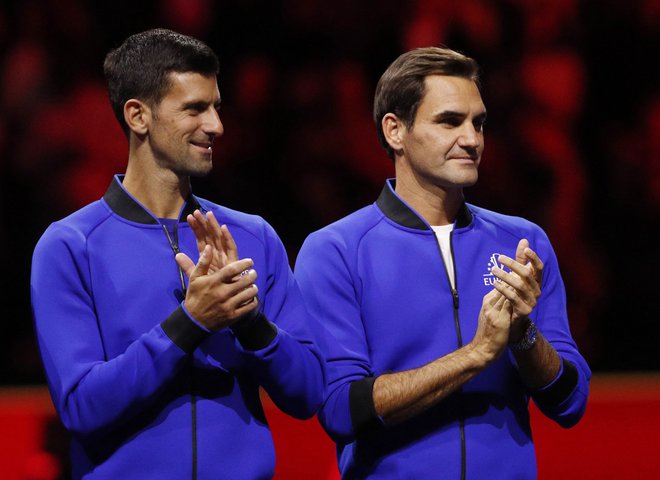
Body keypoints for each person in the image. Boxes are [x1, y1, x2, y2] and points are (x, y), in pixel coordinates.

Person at [30, 28, 324, 480]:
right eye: (195, 108)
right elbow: (81, 406)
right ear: (138, 116)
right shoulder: (69, 247)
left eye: (217, 107)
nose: (216, 126)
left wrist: (251, 322)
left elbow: (308, 393)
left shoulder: (254, 237)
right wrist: (191, 323)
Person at [294, 47, 590, 479]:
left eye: (478, 123)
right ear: (395, 131)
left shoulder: (523, 242)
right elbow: (341, 409)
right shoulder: (335, 250)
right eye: (450, 121)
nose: (471, 139)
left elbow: (570, 401)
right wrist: (475, 355)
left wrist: (523, 334)